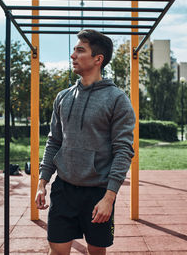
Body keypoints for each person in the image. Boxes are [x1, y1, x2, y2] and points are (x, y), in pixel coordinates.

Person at [35, 29, 135, 255]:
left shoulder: (117, 99)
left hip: (98, 192)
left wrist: (110, 198)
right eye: (74, 50)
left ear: (98, 59)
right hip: (64, 188)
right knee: (57, 250)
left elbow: (123, 151)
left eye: (80, 50)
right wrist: (42, 182)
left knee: (96, 252)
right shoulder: (63, 97)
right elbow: (54, 142)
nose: (73, 55)